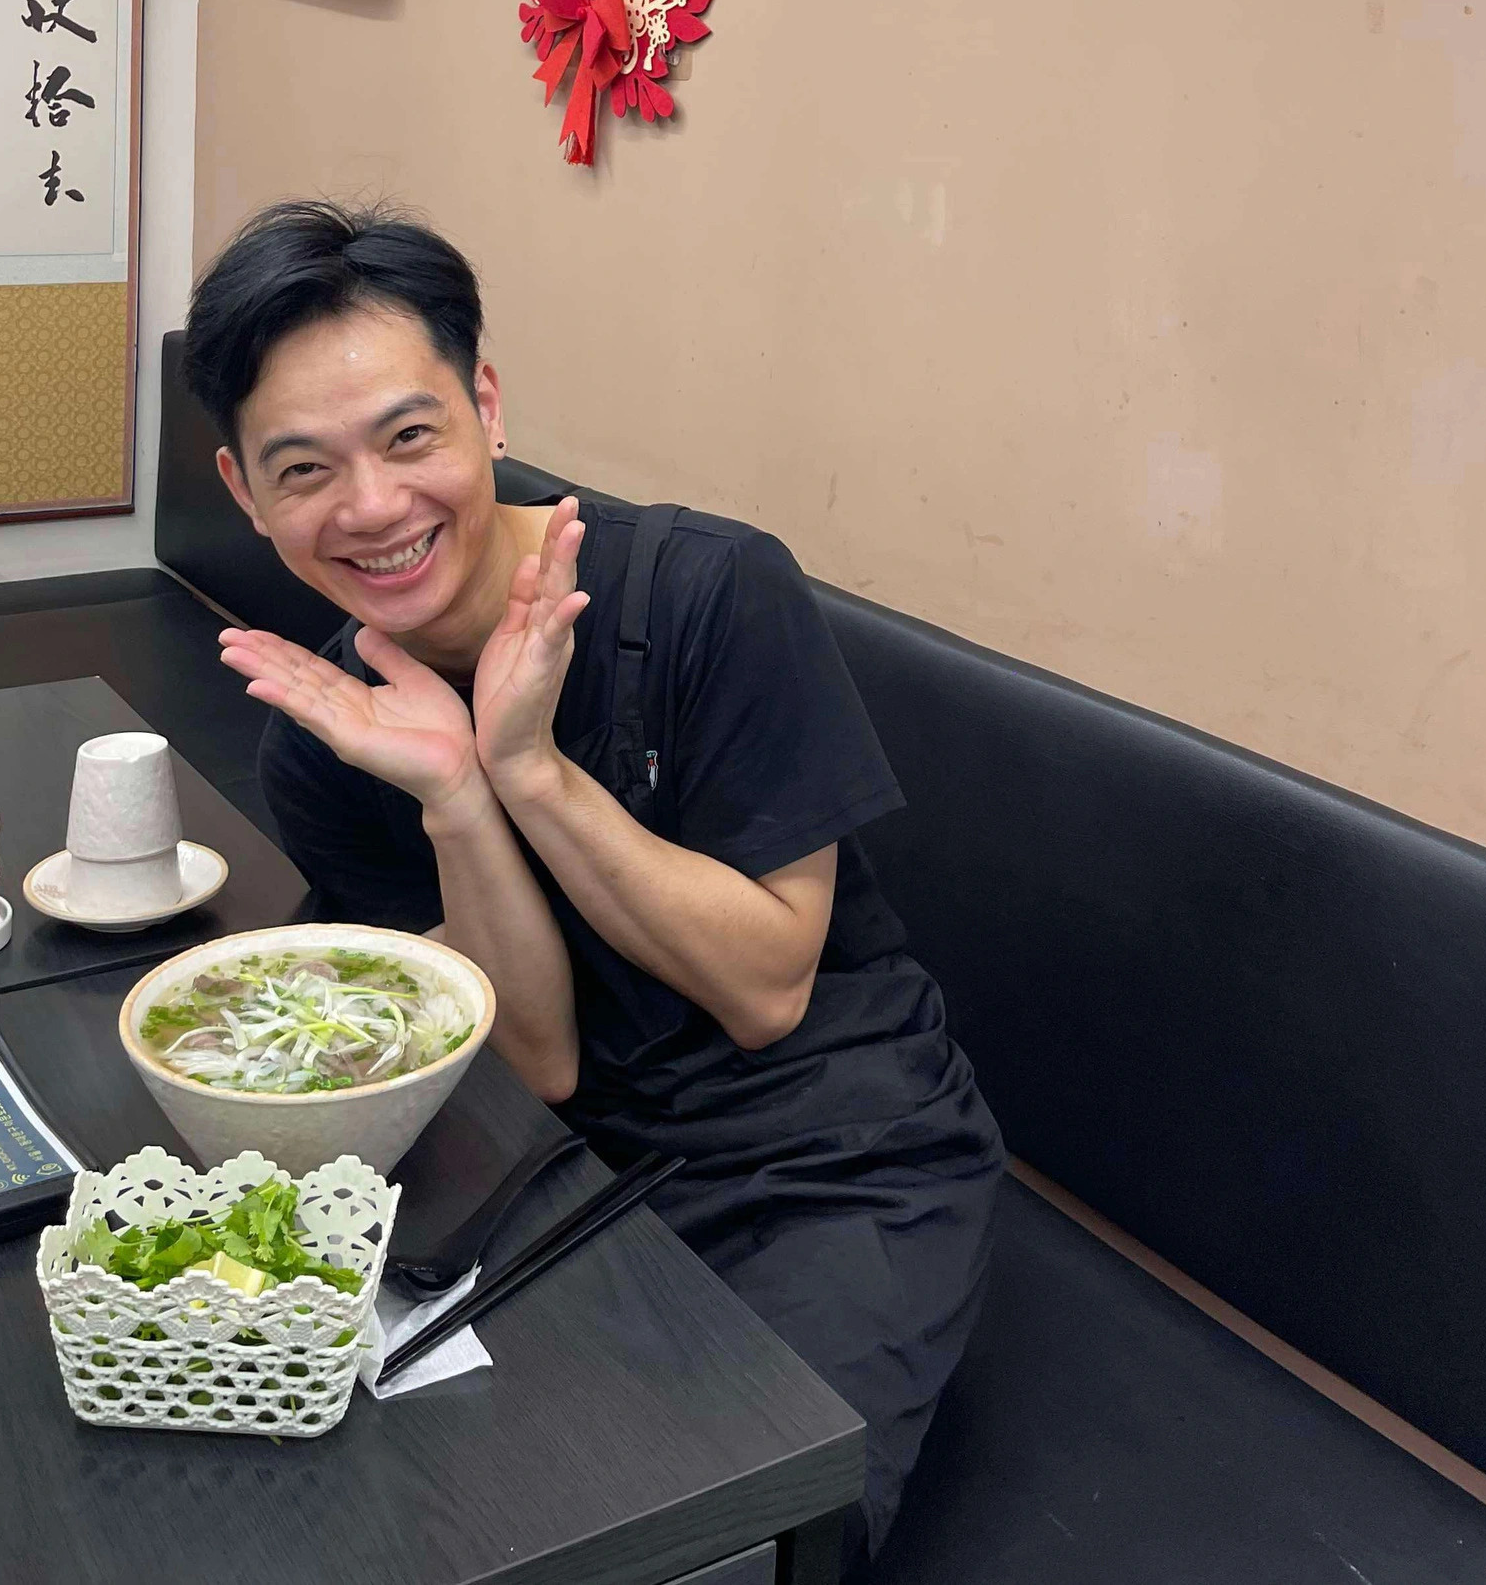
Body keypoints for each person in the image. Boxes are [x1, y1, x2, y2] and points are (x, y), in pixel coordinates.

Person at [190, 201, 1003, 1570]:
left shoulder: (709, 593)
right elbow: (541, 1059)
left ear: (486, 408)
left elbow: (765, 986)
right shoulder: (331, 736)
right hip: (562, 1165)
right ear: (245, 495)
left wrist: (531, 768)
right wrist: (453, 795)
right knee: (349, 1499)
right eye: (306, 469)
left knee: (742, 1541)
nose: (374, 507)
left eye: (409, 435)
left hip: (827, 1153)